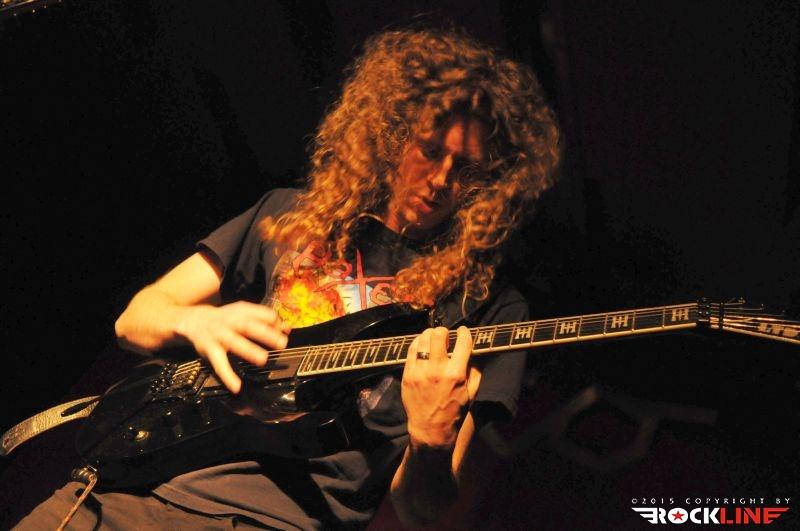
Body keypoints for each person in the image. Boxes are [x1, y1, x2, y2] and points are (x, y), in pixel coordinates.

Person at [15, 26, 559, 530]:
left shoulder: (489, 306)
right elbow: (134, 322)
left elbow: (422, 511)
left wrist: (431, 440)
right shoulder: (289, 212)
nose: (441, 180)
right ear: (394, 135)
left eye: (466, 169)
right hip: (119, 496)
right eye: (431, 151)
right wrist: (198, 322)